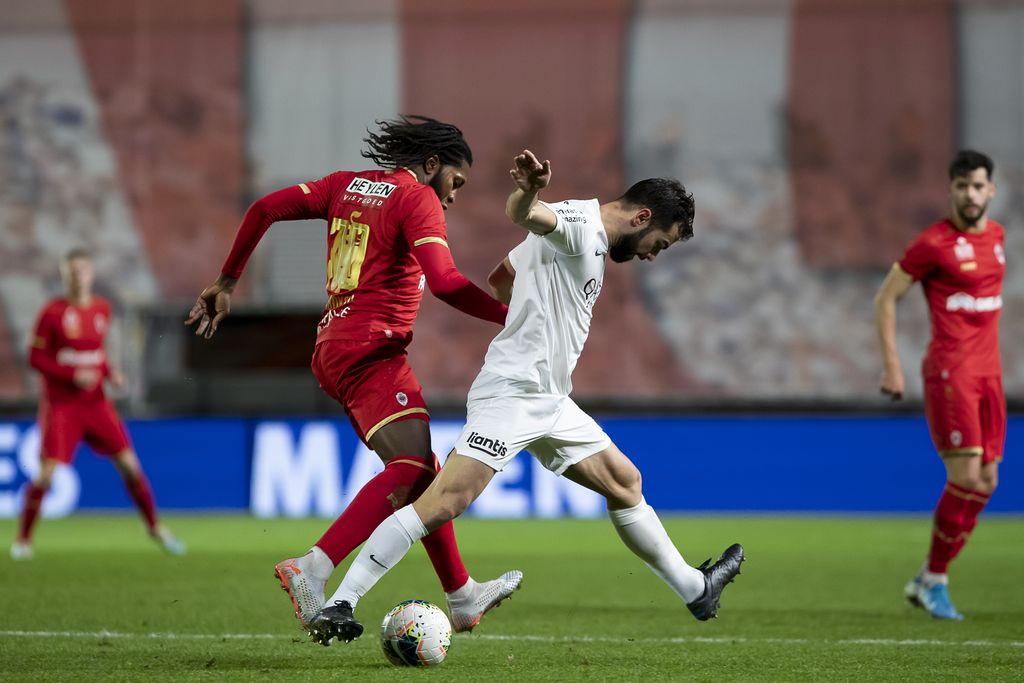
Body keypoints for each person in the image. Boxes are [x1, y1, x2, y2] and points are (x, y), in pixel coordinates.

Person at [309, 150, 745, 645]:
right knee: (443, 502)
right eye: (659, 244)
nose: (651, 254)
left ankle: (695, 588)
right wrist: (529, 191)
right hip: (514, 393)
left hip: (551, 398)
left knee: (625, 482)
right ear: (642, 217)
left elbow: (502, 277)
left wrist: (530, 316)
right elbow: (526, 214)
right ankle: (342, 601)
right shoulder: (580, 228)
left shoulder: (584, 236)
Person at [186, 116, 521, 638]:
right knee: (412, 468)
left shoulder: (345, 185)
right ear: (432, 166)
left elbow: (265, 208)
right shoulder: (418, 199)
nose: (452, 197)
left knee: (424, 471)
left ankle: (461, 594)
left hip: (332, 344)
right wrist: (515, 315)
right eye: (455, 183)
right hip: (372, 348)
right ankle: (314, 568)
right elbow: (448, 283)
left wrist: (227, 280)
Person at [874, 149, 1006, 620]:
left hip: (990, 374)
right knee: (966, 477)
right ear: (950, 190)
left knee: (987, 481)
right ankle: (935, 579)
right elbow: (886, 299)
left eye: (977, 185)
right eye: (961, 186)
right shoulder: (932, 244)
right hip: (952, 372)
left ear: (990, 189)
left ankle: (929, 578)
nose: (970, 194)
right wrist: (892, 364)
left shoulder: (996, 236)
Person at [11, 249, 185, 560]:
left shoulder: (102, 310)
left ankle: (155, 527)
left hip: (96, 404)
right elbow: (36, 357)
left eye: (83, 271)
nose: (78, 277)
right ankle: (23, 540)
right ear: (64, 276)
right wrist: (71, 374)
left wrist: (110, 372)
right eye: (72, 272)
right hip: (62, 405)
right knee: (46, 474)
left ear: (91, 275)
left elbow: (97, 353)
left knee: (130, 466)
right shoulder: (52, 312)